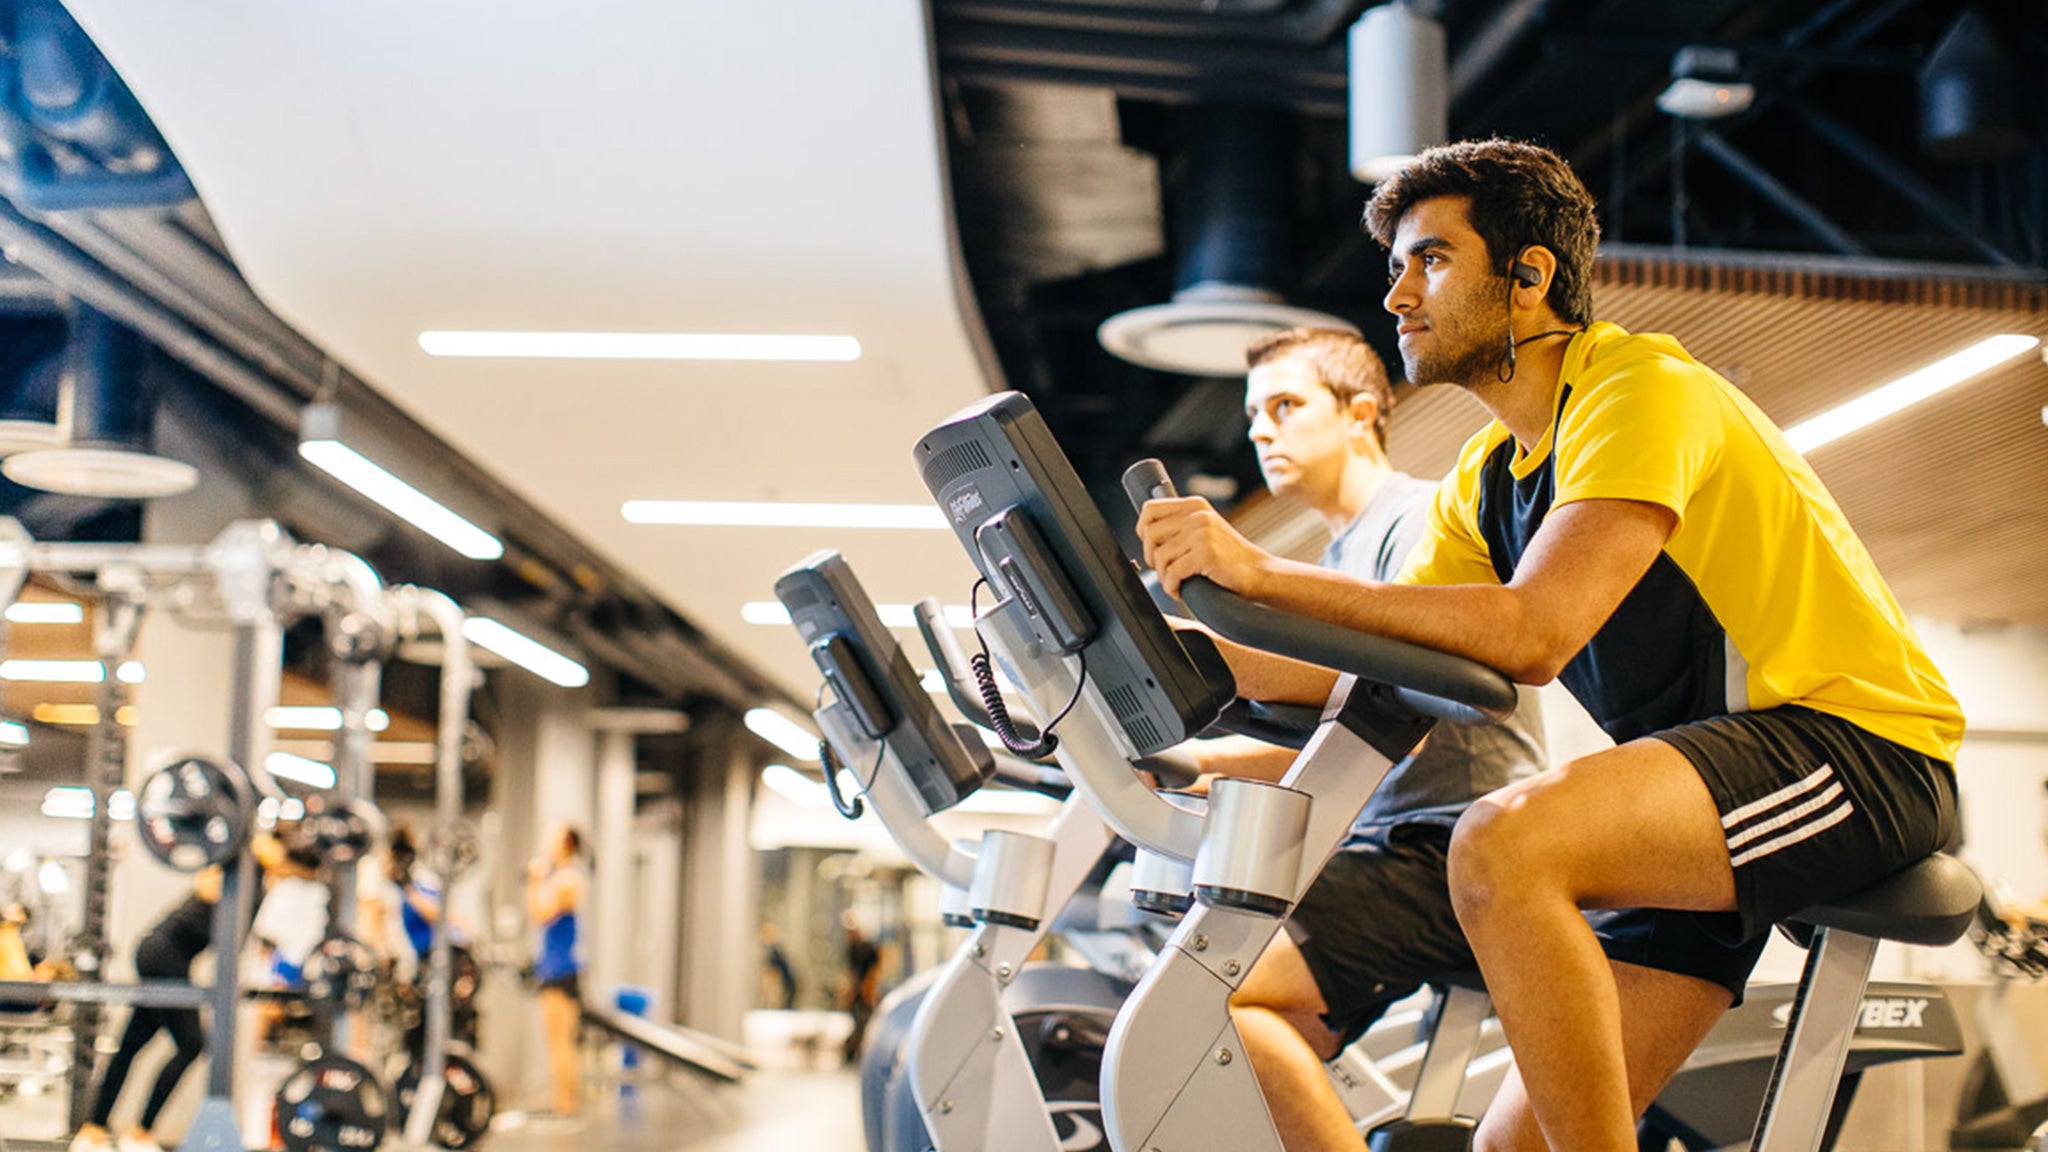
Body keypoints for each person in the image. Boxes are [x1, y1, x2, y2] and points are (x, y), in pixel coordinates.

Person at [1135, 137, 1964, 1152]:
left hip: (1852, 750)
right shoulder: (1484, 476)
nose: (1396, 298)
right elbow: (1372, 655)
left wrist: (1261, 574)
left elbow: (1534, 630)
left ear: (1527, 277)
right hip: (1704, 781)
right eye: (1394, 269)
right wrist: (1148, 647)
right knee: (1510, 1148)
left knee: (1504, 841)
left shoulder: (1637, 386)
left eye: (1428, 261)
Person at [1200, 326, 1546, 1152]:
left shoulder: (1419, 522)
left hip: (1452, 851)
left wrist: (1217, 731)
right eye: (1253, 415)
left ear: (1361, 414)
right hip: (1386, 839)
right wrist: (1202, 767)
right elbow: (1351, 732)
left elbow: (1408, 721)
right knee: (1211, 1037)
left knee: (1211, 995)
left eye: (1285, 405)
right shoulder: (1343, 550)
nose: (1261, 430)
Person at [68, 868, 224, 1152]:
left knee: (131, 1045)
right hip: (165, 958)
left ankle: (93, 1131)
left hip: (155, 953)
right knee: (191, 1044)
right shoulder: (234, 876)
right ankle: (139, 1133)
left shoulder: (235, 877)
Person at [527, 825, 585, 1123]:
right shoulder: (561, 877)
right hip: (553, 967)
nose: (547, 842)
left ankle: (566, 1106)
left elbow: (540, 913)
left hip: (561, 970)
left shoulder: (567, 879)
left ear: (567, 845)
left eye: (553, 838)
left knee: (561, 1041)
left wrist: (535, 880)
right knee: (555, 1041)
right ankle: (561, 1103)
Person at [837, 911, 880, 1066]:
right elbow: (852, 972)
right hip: (859, 990)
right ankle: (851, 1051)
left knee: (862, 1022)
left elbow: (870, 972)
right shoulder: (853, 948)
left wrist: (866, 989)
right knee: (859, 1022)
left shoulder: (865, 948)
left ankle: (853, 1050)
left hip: (864, 990)